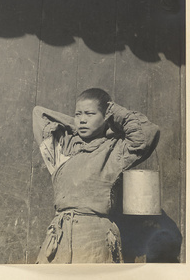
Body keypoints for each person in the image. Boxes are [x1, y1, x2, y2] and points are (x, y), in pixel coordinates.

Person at [32, 88, 160, 264]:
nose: (83, 119)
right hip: (58, 239)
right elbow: (39, 114)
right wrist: (75, 127)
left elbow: (147, 133)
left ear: (106, 116)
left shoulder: (115, 150)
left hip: (95, 240)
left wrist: (111, 119)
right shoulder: (64, 149)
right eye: (78, 114)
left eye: (90, 114)